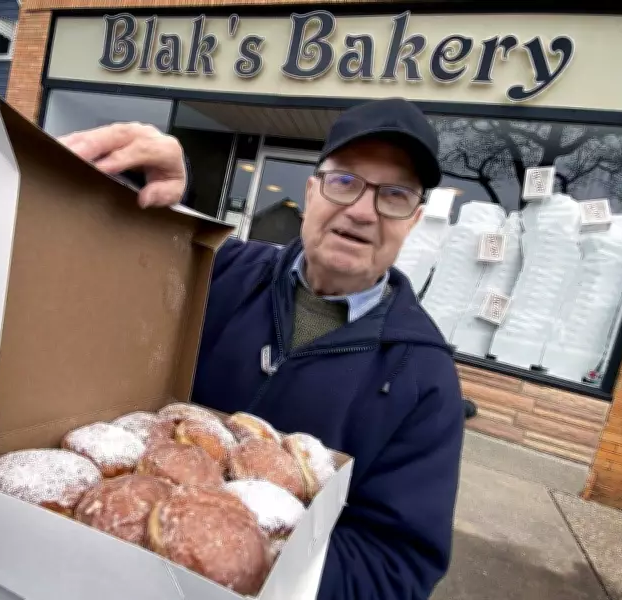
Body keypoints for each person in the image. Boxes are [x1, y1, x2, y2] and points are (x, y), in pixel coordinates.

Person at [60, 98, 465, 600]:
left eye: (395, 195)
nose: (362, 210)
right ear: (312, 189)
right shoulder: (219, 272)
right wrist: (140, 191)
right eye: (345, 181)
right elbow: (106, 272)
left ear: (414, 219)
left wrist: (246, 565)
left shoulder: (425, 379)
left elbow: (393, 567)